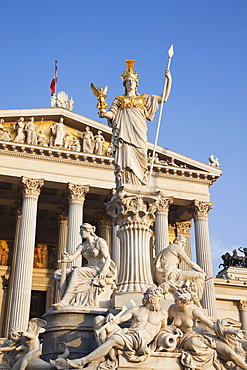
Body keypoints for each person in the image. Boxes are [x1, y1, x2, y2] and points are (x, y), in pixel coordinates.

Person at [99, 60, 172, 187]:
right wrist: (104, 113)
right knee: (125, 160)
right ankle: (126, 182)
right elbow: (112, 113)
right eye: (128, 81)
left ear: (136, 83)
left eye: (132, 81)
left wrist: (169, 80)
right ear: (125, 84)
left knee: (142, 156)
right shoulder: (119, 100)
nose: (131, 83)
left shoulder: (144, 99)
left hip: (139, 133)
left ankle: (139, 183)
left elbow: (163, 98)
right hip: (124, 133)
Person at [67, 286, 168, 368]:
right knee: (99, 320)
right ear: (149, 299)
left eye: (159, 299)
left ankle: (82, 361)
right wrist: (111, 317)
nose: (159, 302)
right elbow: (118, 320)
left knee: (114, 339)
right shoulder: (136, 310)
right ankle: (106, 354)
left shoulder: (163, 314)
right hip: (128, 334)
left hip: (139, 341)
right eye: (157, 299)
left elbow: (164, 330)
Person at [168, 288, 247, 370]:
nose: (174, 301)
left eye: (176, 299)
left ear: (183, 302)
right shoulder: (172, 308)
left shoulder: (194, 311)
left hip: (203, 334)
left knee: (231, 353)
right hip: (187, 338)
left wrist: (234, 331)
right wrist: (174, 329)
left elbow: (212, 326)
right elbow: (168, 323)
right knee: (194, 343)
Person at [53, 223, 116, 309]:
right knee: (58, 273)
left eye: (81, 231)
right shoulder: (82, 246)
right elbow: (72, 258)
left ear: (88, 231)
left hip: (98, 269)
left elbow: (107, 258)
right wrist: (66, 257)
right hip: (89, 269)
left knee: (77, 272)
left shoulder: (100, 242)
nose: (79, 233)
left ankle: (65, 300)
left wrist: (104, 271)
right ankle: (67, 298)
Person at [154, 235, 206, 305]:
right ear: (176, 241)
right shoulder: (176, 247)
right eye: (182, 242)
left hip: (164, 274)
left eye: (184, 244)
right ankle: (195, 299)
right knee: (200, 276)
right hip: (172, 274)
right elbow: (190, 263)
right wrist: (202, 272)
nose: (183, 245)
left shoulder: (164, 250)